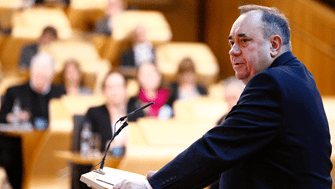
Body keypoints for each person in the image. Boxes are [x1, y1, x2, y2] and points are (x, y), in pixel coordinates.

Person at [114, 4, 332, 189]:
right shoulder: (299, 76)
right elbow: (239, 156)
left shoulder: (271, 83)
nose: (232, 51)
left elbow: (219, 148)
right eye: (231, 42)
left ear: (274, 45)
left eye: (243, 41)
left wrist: (154, 185)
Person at [0, 52, 65, 189]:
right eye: (37, 75)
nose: (40, 79)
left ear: (52, 75)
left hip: (50, 147)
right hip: (17, 148)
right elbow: (2, 119)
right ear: (31, 72)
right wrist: (11, 118)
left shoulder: (60, 94)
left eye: (44, 76)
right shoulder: (14, 91)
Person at [71, 71, 144, 189]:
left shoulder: (137, 113)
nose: (114, 91)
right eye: (110, 87)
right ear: (104, 91)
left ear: (125, 90)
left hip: (132, 169)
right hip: (103, 171)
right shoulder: (94, 113)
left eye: (118, 87)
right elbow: (88, 144)